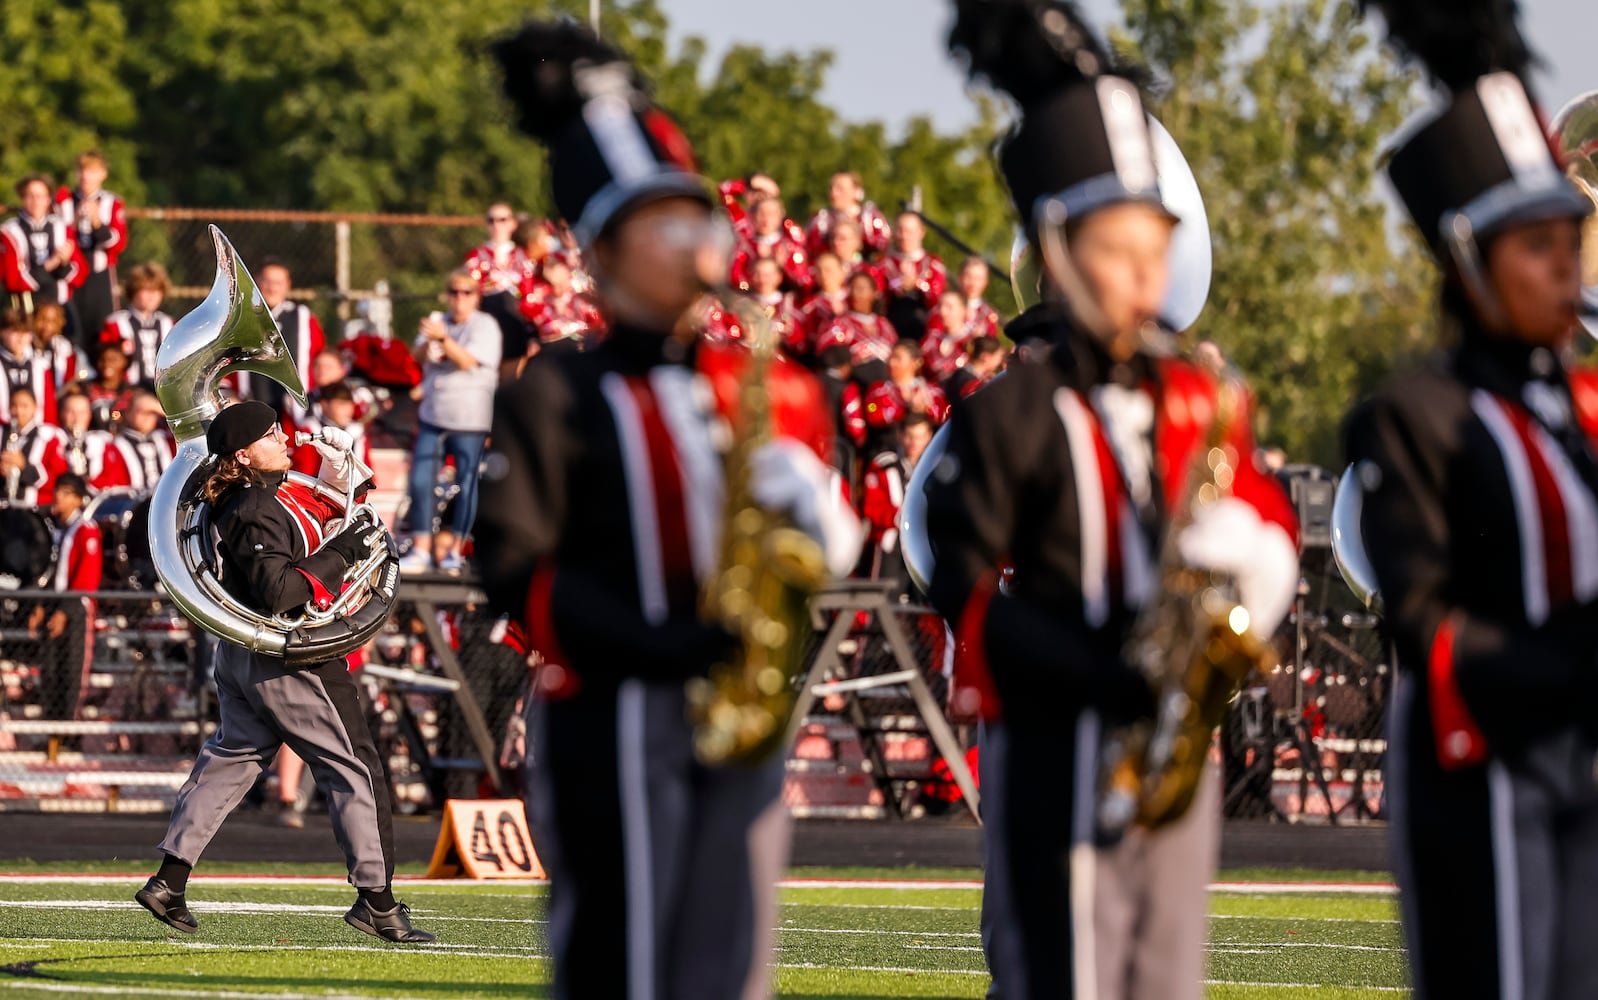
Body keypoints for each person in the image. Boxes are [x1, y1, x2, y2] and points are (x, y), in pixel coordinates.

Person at [477, 22, 859, 1000]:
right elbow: (515, 562)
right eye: (665, 229)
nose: (698, 250)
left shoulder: (770, 387)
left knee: (732, 964)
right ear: (601, 253)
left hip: (737, 716)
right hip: (611, 716)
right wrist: (661, 644)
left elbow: (811, 548)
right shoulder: (555, 394)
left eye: (702, 224)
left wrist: (814, 517)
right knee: (622, 959)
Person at [930, 6, 1298, 998]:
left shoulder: (1198, 399)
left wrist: (1253, 567)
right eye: (1114, 249)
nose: (1142, 275)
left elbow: (1268, 524)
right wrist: (1080, 669)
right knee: (1059, 964)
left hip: (1173, 743)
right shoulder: (1012, 411)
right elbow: (957, 567)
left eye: (1154, 248)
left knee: (1163, 970)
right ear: (1056, 252)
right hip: (1052, 733)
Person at [1342, 6, 1598, 997]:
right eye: (1533, 247)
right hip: (1480, 775)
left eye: (1566, 240)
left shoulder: (1575, 408)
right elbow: (1423, 620)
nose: (1563, 266)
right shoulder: (1415, 415)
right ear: (1465, 262)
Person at [135, 400, 431, 942]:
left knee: (233, 760)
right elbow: (281, 592)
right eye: (272, 435)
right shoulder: (252, 504)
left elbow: (303, 539)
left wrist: (343, 481)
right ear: (244, 455)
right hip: (290, 659)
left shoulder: (249, 499)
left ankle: (169, 882)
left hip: (245, 656)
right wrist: (344, 552)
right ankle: (379, 901)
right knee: (355, 766)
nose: (286, 440)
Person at [398, 270, 500, 574]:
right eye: (454, 292)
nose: (459, 298)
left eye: (466, 292)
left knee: (467, 483)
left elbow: (468, 361)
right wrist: (427, 341)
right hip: (434, 415)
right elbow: (418, 357)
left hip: (470, 417)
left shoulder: (485, 326)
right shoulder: (438, 320)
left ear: (476, 297)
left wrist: (443, 338)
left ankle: (457, 549)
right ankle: (420, 548)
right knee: (420, 480)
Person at [27, 474, 99, 722]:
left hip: (74, 609)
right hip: (53, 605)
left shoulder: (86, 530)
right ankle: (50, 727)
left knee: (72, 671)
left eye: (67, 493)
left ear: (79, 500)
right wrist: (40, 605)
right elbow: (48, 572)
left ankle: (69, 731)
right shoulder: (55, 530)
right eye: (58, 491)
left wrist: (64, 612)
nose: (59, 497)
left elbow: (86, 578)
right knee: (50, 669)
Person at [234, 259, 324, 417]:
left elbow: (319, 357)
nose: (272, 288)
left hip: (296, 415)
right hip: (248, 408)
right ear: (256, 281)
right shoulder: (240, 317)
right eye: (267, 281)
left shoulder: (303, 317)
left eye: (278, 282)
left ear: (288, 285)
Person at [55, 150, 127, 341]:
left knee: (102, 327)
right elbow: (58, 236)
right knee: (71, 328)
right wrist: (75, 222)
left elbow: (117, 243)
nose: (86, 176)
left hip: (100, 274)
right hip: (72, 274)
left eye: (92, 171)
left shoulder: (112, 203)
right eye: (82, 170)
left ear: (103, 174)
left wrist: (97, 223)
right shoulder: (64, 201)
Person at [859, 412, 936, 586]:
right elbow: (872, 508)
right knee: (882, 596)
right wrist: (903, 518)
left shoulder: (936, 468)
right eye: (909, 436)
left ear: (929, 436)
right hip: (890, 544)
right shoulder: (884, 466)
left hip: (924, 545)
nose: (914, 442)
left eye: (920, 436)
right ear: (900, 435)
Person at [0, 175, 85, 328]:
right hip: (27, 308)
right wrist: (49, 265)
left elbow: (80, 275)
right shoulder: (9, 232)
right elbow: (12, 281)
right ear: (22, 198)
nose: (36, 201)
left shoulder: (62, 228)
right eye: (30, 196)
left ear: (48, 199)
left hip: (60, 306)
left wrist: (64, 263)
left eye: (40, 196)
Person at [465, 202, 533, 370]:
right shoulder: (476, 255)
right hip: (488, 317)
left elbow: (528, 293)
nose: (496, 225)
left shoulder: (523, 255)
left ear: (512, 223)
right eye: (491, 220)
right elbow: (472, 290)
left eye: (502, 219)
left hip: (517, 321)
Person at [102, 263, 175, 387]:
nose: (152, 296)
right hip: (127, 390)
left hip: (162, 388)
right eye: (146, 290)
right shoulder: (116, 324)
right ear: (133, 291)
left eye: (157, 290)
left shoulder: (168, 324)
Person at [883, 212, 948, 344]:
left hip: (923, 329)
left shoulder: (933, 264)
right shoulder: (884, 263)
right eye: (901, 230)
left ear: (921, 233)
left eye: (909, 231)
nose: (905, 236)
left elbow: (937, 299)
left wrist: (917, 284)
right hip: (891, 327)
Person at [45, 391, 129, 492]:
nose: (76, 418)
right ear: (62, 413)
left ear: (89, 415)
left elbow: (115, 477)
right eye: (71, 412)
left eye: (81, 413)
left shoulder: (103, 442)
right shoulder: (52, 440)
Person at [730, 195, 812, 295]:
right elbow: (736, 281)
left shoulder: (789, 247)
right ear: (752, 216)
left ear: (780, 216)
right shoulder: (745, 247)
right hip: (752, 302)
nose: (766, 218)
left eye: (771, 213)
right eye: (762, 213)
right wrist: (756, 276)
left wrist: (782, 266)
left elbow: (805, 284)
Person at [805, 170, 890, 259]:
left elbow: (881, 251)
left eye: (840, 188)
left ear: (856, 191)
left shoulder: (870, 219)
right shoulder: (820, 220)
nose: (833, 193)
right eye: (831, 188)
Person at [2, 387, 62, 507]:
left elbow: (58, 480)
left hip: (35, 509)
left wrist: (24, 467)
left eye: (24, 406)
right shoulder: (2, 433)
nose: (19, 411)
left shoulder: (48, 437)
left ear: (35, 407)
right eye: (14, 405)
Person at [1, 307, 60, 425]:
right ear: (2, 332)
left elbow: (49, 408)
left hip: (36, 432)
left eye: (26, 332)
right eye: (15, 331)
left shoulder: (40, 366)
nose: (21, 338)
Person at [113, 389, 175, 493]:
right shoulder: (116, 445)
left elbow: (182, 423)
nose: (147, 417)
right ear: (128, 413)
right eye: (140, 411)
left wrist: (156, 406)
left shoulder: (166, 438)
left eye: (151, 412)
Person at [85, 343, 135, 431]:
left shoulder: (133, 391)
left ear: (125, 362)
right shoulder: (85, 388)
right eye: (102, 359)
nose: (107, 364)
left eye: (113, 359)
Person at [947, 336, 1008, 401]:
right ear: (985, 357)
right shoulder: (967, 380)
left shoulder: (963, 374)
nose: (1000, 360)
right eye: (998, 356)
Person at [959, 257, 1003, 338]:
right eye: (968, 276)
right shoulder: (945, 305)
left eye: (978, 279)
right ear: (959, 277)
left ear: (985, 282)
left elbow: (991, 344)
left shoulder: (988, 315)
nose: (972, 283)